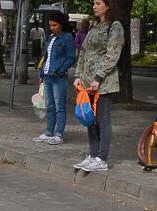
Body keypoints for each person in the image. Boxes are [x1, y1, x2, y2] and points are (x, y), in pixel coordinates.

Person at [72, 0, 123, 172]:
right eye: (93, 3)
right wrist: (78, 75)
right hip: (87, 83)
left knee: (103, 119)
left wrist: (98, 78)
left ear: (108, 6)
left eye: (98, 3)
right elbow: (84, 52)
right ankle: (92, 154)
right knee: (90, 120)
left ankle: (102, 158)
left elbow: (113, 54)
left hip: (104, 83)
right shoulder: (93, 26)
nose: (94, 6)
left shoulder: (114, 27)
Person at [33, 11, 75, 145]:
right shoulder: (51, 38)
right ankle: (49, 131)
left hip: (58, 77)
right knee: (50, 106)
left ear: (61, 25)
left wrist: (60, 70)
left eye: (54, 25)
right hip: (47, 76)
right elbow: (46, 58)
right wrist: (42, 75)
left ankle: (59, 134)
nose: (52, 28)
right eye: (50, 25)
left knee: (59, 106)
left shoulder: (67, 38)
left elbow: (71, 58)